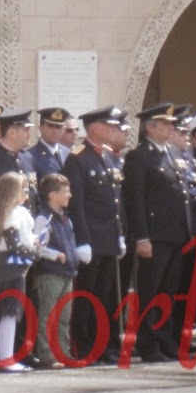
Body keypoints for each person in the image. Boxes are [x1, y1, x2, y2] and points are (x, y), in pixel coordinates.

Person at [122, 104, 195, 363]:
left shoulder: (173, 152)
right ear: (150, 127)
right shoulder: (139, 156)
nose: (170, 127)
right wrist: (142, 236)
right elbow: (136, 200)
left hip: (176, 234)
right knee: (150, 293)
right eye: (164, 124)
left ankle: (165, 339)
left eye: (171, 124)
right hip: (154, 236)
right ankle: (148, 344)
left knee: (168, 293)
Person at [63, 106, 127, 365]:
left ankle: (107, 345)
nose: (114, 131)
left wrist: (119, 234)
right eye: (109, 126)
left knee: (107, 296)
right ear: (95, 128)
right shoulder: (78, 158)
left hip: (109, 238)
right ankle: (85, 346)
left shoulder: (110, 156)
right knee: (88, 297)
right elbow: (76, 204)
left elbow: (116, 201)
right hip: (91, 239)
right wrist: (82, 241)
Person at [0, 172, 39, 373]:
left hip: (0, 267)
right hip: (10, 269)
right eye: (23, 190)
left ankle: (1, 357)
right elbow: (15, 245)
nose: (26, 194)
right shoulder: (12, 215)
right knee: (9, 313)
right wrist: (35, 251)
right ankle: (6, 358)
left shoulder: (0, 212)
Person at [33, 173, 78, 369]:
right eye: (65, 192)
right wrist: (55, 255)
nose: (69, 195)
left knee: (64, 316)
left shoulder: (66, 220)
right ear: (52, 195)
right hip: (50, 272)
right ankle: (46, 353)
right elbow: (37, 244)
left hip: (67, 272)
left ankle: (63, 351)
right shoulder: (44, 218)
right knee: (48, 313)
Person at [0, 109, 39, 211]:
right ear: (12, 132)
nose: (29, 135)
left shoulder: (28, 158)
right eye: (26, 130)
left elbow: (34, 194)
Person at [28, 107, 72, 181]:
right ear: (41, 128)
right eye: (50, 126)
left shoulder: (67, 152)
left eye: (59, 127)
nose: (55, 131)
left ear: (63, 129)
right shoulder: (31, 156)